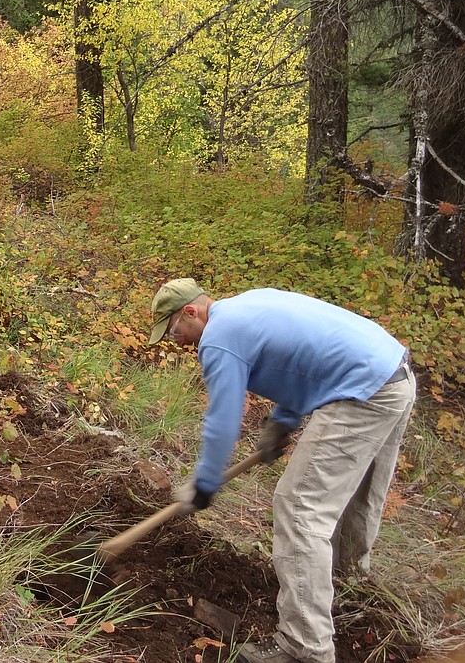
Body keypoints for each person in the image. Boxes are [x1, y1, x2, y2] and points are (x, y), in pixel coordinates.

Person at [148, 278, 416, 663]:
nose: (178, 342)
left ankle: (304, 646)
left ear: (190, 312)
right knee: (360, 495)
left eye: (173, 331)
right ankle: (349, 587)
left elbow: (223, 420)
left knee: (298, 508)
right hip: (392, 376)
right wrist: (283, 421)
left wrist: (204, 482)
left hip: (361, 393)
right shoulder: (250, 304)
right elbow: (303, 361)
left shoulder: (219, 337)